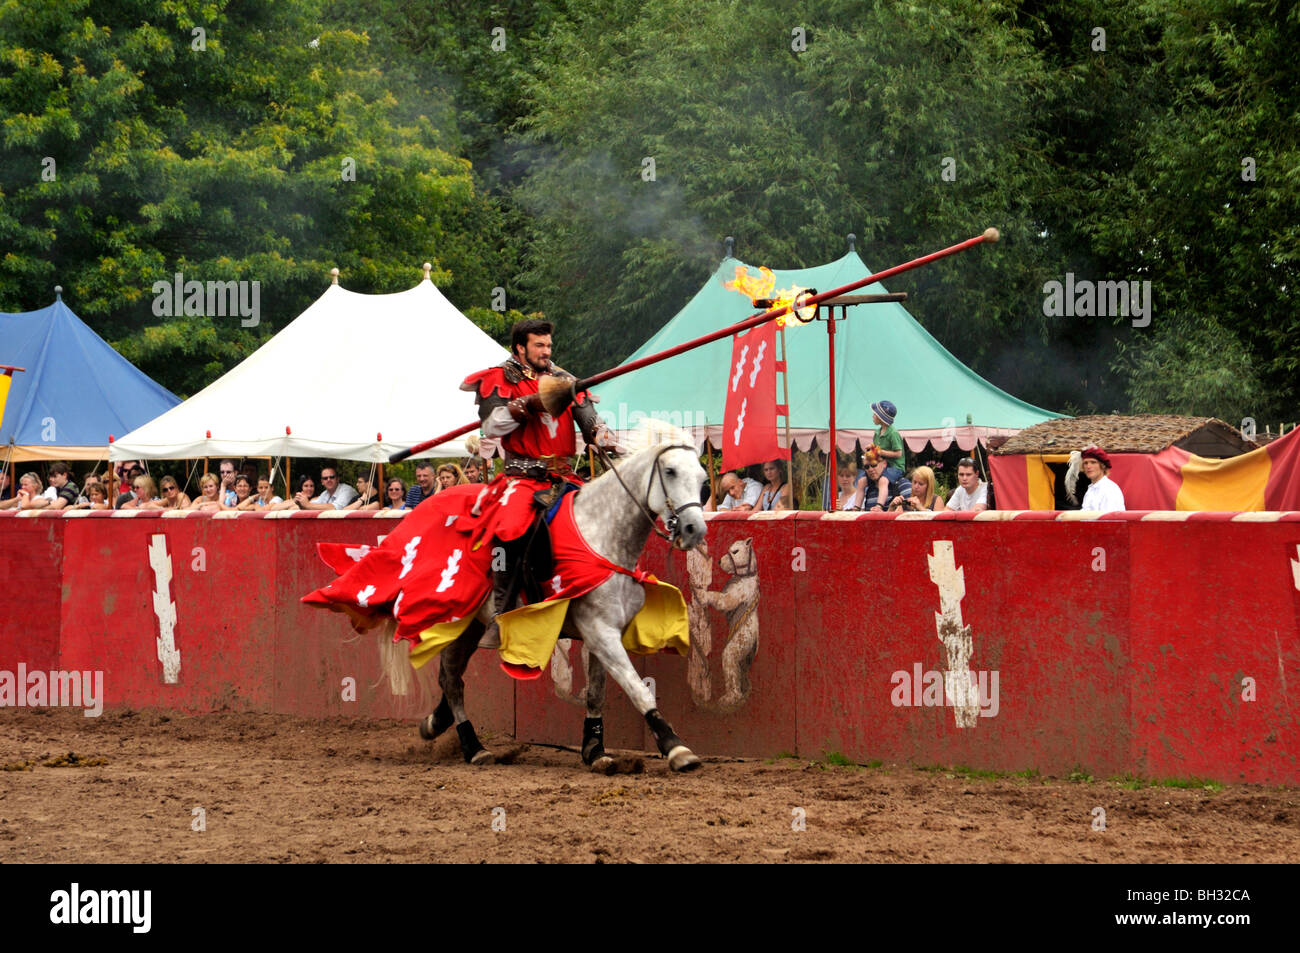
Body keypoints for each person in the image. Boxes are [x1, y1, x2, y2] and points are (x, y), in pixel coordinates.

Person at [1078, 446, 1126, 512]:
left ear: (1102, 466)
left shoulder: (1110, 489)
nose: (1088, 466)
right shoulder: (1091, 490)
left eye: (1093, 462)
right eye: (1085, 463)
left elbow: (1110, 519)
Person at [871, 400, 904, 473]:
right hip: (882, 465)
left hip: (895, 467)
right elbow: (876, 450)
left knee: (883, 480)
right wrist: (871, 448)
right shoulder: (877, 433)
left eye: (875, 414)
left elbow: (898, 454)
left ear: (881, 417)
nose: (872, 416)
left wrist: (881, 452)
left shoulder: (893, 433)